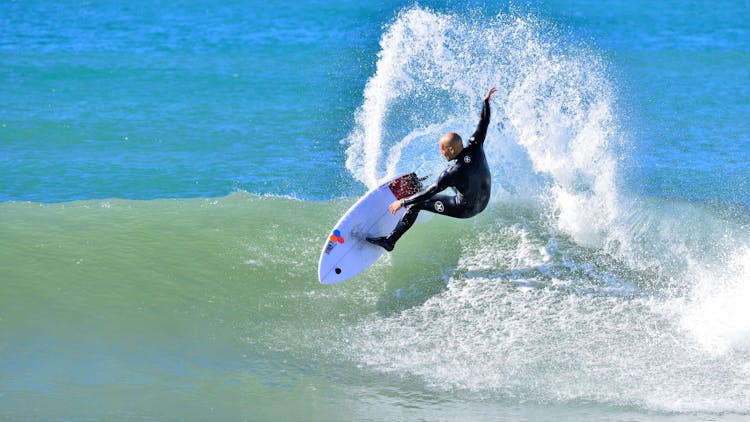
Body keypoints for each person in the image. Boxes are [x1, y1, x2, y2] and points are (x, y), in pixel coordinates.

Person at [367, 87, 497, 251]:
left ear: (451, 149)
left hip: (465, 209)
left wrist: (403, 202)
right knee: (443, 183)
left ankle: (390, 241)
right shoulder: (475, 145)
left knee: (417, 204)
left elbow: (432, 192)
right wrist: (486, 102)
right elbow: (484, 122)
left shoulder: (452, 172)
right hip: (482, 203)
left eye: (442, 149)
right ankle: (418, 189)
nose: (441, 153)